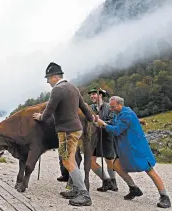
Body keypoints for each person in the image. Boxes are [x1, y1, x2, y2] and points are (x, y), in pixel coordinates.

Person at [32, 62, 94, 206]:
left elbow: (48, 112)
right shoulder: (73, 87)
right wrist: (92, 119)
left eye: (48, 78)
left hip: (67, 131)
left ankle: (84, 195)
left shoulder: (57, 90)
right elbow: (84, 107)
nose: (47, 81)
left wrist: (40, 117)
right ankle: (75, 189)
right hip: (76, 129)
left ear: (54, 77)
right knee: (70, 159)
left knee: (67, 161)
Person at [96, 96, 171, 208]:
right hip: (127, 148)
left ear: (120, 104)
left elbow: (117, 130)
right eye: (110, 106)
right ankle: (133, 188)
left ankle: (164, 196)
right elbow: (114, 123)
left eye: (113, 106)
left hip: (138, 148)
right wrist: (102, 121)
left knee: (149, 170)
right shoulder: (119, 113)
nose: (111, 109)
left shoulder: (127, 114)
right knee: (116, 164)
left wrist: (104, 124)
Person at [87, 87, 118, 192]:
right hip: (94, 138)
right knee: (91, 161)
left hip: (107, 136)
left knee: (109, 160)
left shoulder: (109, 107)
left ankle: (113, 182)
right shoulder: (89, 108)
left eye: (94, 94)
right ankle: (106, 181)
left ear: (100, 95)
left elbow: (113, 121)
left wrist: (101, 123)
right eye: (90, 95)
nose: (91, 96)